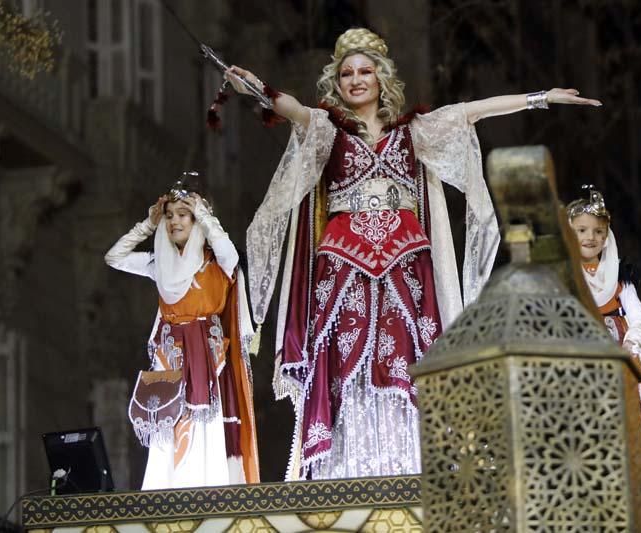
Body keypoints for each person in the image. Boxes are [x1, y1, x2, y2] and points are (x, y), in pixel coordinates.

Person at [227, 27, 601, 480]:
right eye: (347, 73)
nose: (356, 79)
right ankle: (347, 472)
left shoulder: (415, 131)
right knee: (344, 360)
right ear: (337, 82)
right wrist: (256, 87)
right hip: (343, 263)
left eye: (365, 71)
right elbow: (291, 109)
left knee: (406, 354)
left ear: (382, 78)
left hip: (405, 262)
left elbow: (471, 113)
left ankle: (408, 469)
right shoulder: (328, 130)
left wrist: (540, 97)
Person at [104, 177, 259, 489]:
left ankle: (206, 493)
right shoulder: (158, 263)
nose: (174, 221)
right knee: (168, 427)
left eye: (182, 214)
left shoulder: (218, 263)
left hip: (207, 360)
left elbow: (230, 251)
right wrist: (148, 224)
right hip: (170, 359)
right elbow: (114, 257)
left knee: (205, 428)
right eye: (170, 214)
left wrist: (203, 214)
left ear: (197, 217)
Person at [567, 186, 641, 533]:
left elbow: (639, 318)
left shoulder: (620, 277)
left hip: (617, 363)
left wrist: (631, 343)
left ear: (608, 236)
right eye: (582, 231)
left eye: (598, 231)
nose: (591, 238)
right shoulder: (564, 279)